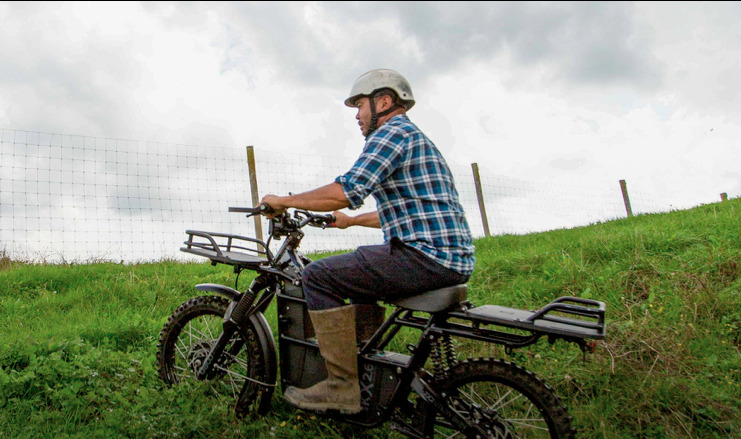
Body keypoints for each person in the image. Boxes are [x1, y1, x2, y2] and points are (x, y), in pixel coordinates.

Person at [260, 68, 475, 414]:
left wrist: (283, 201)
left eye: (359, 106)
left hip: (424, 258)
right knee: (357, 273)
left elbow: (346, 190)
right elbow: (404, 213)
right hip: (446, 258)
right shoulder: (413, 137)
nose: (357, 116)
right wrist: (350, 222)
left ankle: (342, 387)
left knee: (317, 276)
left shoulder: (391, 135)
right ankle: (365, 365)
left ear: (384, 101)